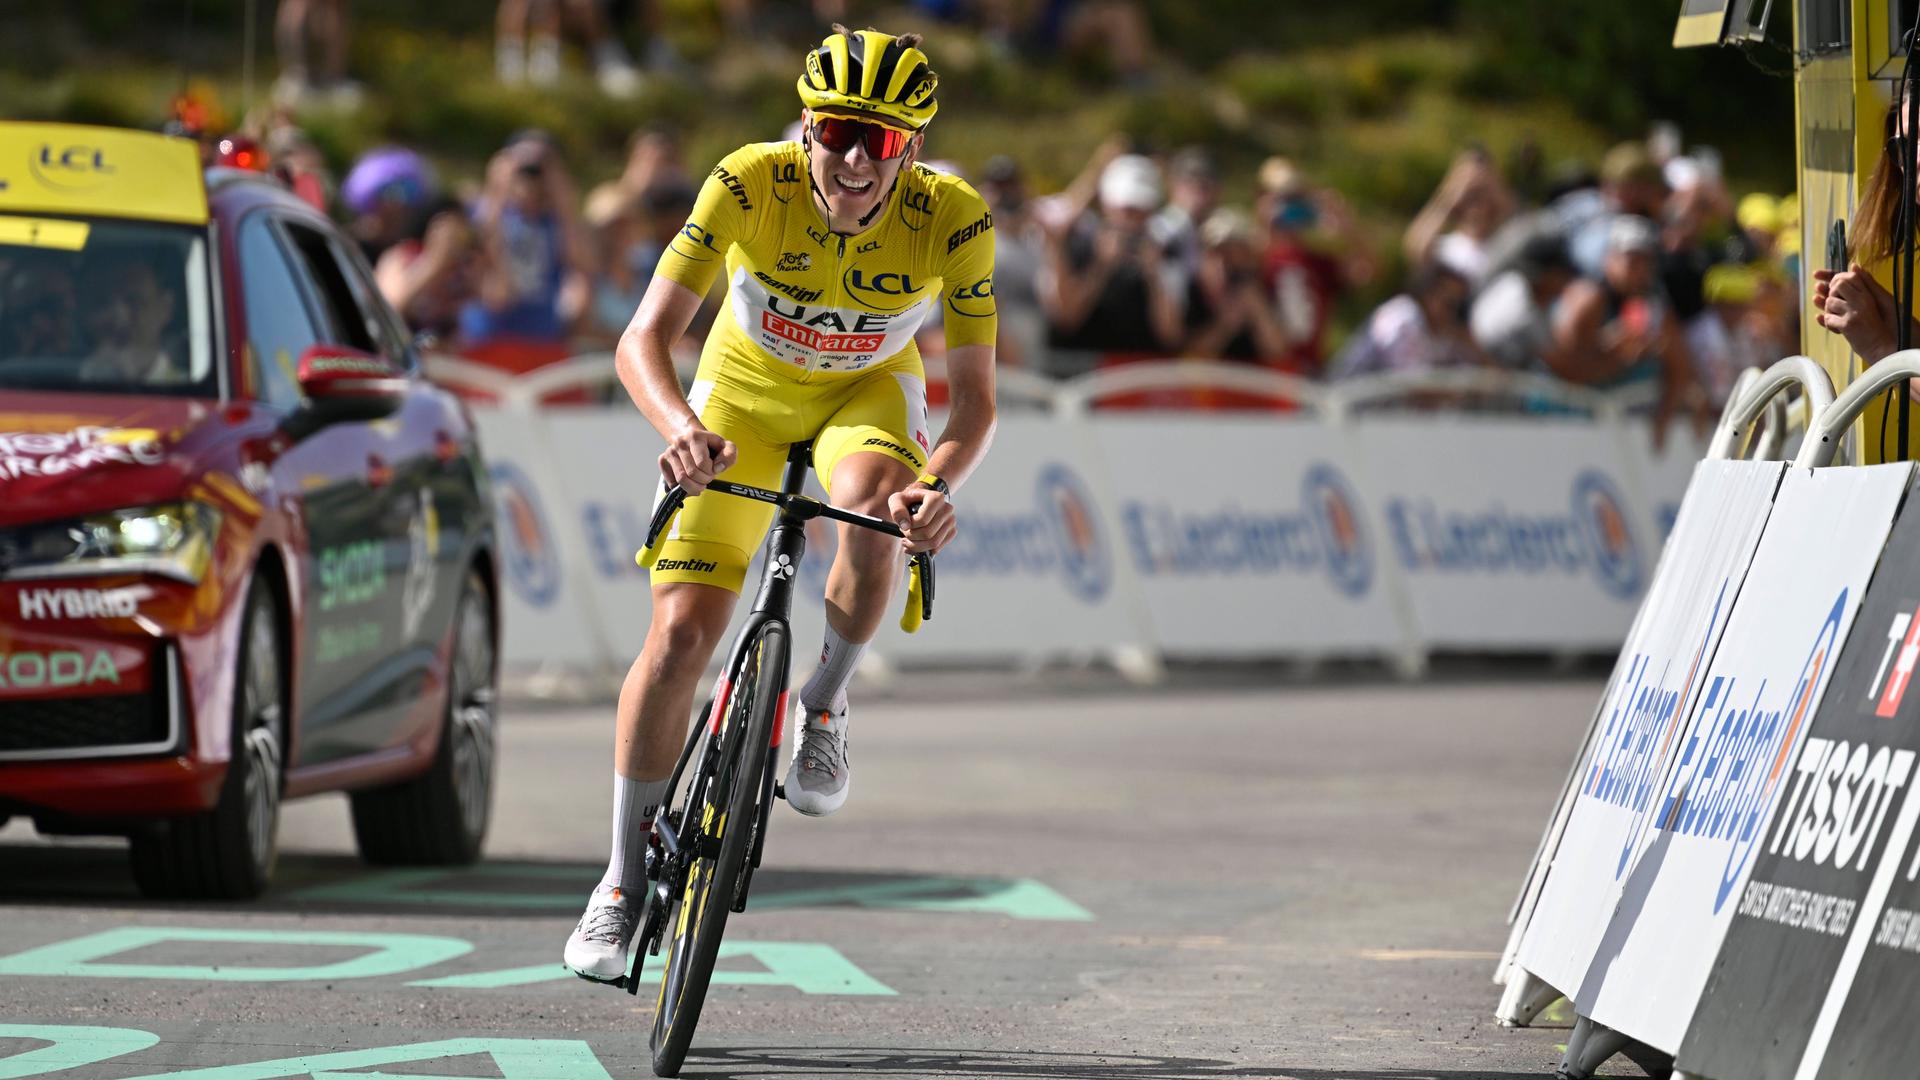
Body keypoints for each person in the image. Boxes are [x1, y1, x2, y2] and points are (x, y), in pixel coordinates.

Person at [562, 26, 997, 984]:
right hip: (739, 397)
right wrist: (679, 426)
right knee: (678, 641)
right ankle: (622, 882)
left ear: (911, 149)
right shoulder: (749, 181)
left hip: (866, 396)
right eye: (836, 131)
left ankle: (827, 707)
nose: (851, 158)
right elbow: (645, 337)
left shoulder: (953, 217)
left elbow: (975, 401)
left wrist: (937, 488)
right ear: (806, 125)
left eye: (877, 141)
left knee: (881, 504)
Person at [1040, 153, 1184, 373]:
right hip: (1079, 382)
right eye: (1127, 209)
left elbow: (1171, 334)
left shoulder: (1165, 253)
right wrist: (1102, 267)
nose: (1133, 219)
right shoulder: (1078, 246)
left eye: (1141, 210)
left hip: (1138, 381)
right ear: (1107, 205)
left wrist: (1154, 274)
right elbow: (1066, 316)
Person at [459, 131, 592, 347]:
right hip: (486, 339)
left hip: (540, 340)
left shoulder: (557, 222)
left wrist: (564, 201)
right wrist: (497, 190)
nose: (532, 173)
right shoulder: (484, 210)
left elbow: (582, 262)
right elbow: (475, 247)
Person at [1255, 157, 1375, 376]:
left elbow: (1368, 269)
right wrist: (1266, 224)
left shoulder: (1318, 262)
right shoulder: (1258, 256)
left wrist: (1346, 225)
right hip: (1266, 374)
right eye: (1284, 199)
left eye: (1297, 200)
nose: (1291, 207)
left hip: (1309, 372)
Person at [1329, 263, 1489, 379]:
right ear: (1428, 295)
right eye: (1450, 303)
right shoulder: (1402, 318)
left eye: (1460, 305)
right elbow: (1409, 386)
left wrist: (1471, 344)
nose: (1454, 312)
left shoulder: (1448, 332)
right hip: (1345, 407)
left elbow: (1491, 378)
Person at [1182, 209, 1286, 362]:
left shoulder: (1262, 287)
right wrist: (1226, 324)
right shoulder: (1192, 290)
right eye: (1219, 252)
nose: (1227, 262)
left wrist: (1258, 309)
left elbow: (1278, 351)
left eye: (1237, 252)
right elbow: (1189, 353)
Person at [1471, 232, 1577, 372]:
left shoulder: (1513, 281)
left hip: (1497, 365)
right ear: (1545, 275)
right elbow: (1563, 366)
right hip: (1490, 374)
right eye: (1560, 273)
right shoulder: (1525, 315)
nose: (1566, 278)